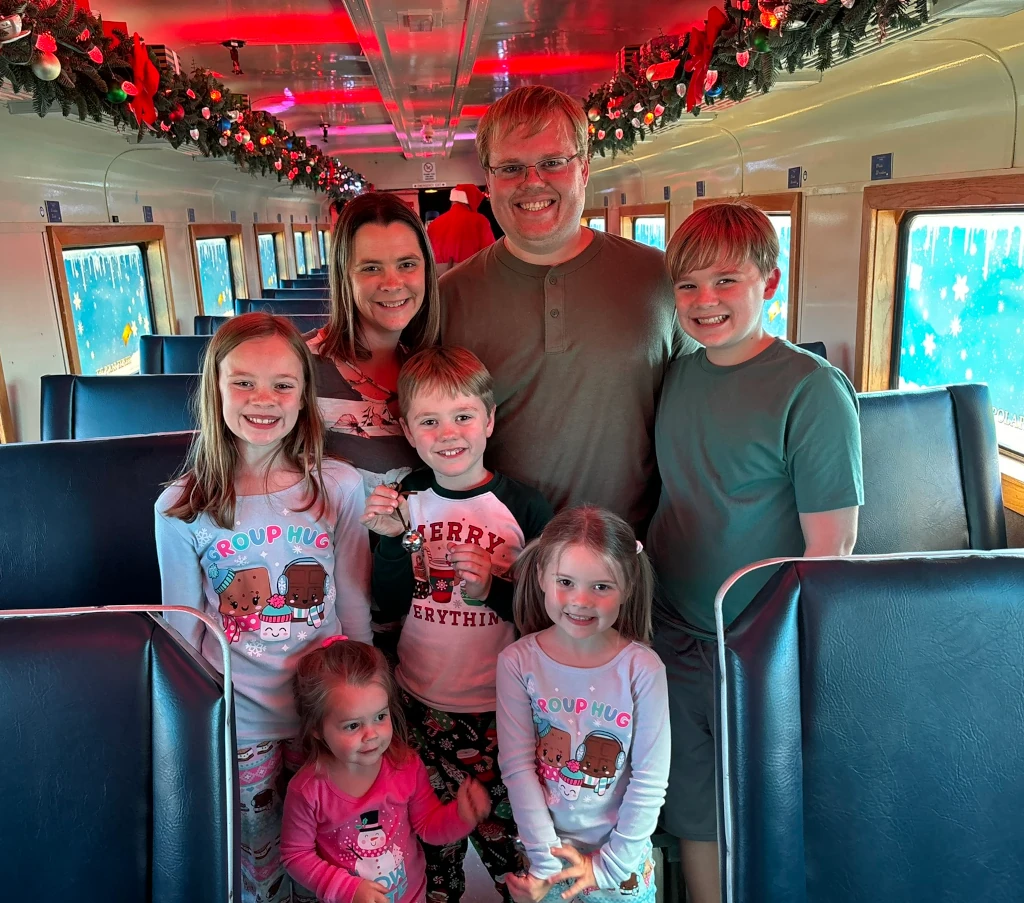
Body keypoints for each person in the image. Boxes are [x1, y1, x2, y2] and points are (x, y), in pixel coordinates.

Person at [647, 202, 864, 903]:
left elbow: (831, 548)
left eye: (726, 281)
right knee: (694, 810)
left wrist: (779, 655)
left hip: (756, 646)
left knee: (767, 806)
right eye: (688, 286)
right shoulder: (678, 374)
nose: (705, 301)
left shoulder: (810, 389)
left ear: (768, 283)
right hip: (674, 630)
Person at [155, 312, 373, 903]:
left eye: (283, 384)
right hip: (242, 719)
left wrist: (370, 694)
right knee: (261, 848)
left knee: (333, 840)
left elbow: (352, 597)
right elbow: (183, 625)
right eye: (243, 382)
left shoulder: (340, 487)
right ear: (215, 390)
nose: (264, 399)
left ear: (305, 397)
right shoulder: (182, 506)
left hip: (323, 712)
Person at [440, 84, 695, 530]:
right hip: (497, 566)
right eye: (511, 167)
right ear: (489, 180)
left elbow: (704, 412)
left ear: (584, 169)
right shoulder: (448, 298)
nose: (532, 181)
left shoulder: (661, 278)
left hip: (628, 561)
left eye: (553, 162)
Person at [361, 345, 554, 902]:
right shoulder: (408, 499)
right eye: (430, 421)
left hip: (504, 708)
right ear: (409, 430)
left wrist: (490, 590)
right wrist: (392, 541)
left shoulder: (524, 506)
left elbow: (545, 617)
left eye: (463, 416)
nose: (449, 433)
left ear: (489, 420)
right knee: (431, 842)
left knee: (508, 846)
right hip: (421, 702)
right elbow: (391, 602)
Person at [496, 506, 669, 903]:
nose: (580, 601)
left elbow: (649, 780)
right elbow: (518, 767)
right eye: (566, 582)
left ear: (627, 586)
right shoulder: (517, 662)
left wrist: (607, 867)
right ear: (541, 576)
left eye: (601, 587)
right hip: (546, 859)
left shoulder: (643, 669)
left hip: (621, 863)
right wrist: (544, 862)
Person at [281, 636, 492, 903]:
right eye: (353, 726)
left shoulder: (406, 766)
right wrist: (346, 889)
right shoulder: (308, 790)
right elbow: (295, 856)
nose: (371, 735)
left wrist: (461, 816)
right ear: (317, 730)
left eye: (380, 717)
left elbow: (428, 826)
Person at [309, 191, 442, 495]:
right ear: (345, 276)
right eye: (371, 268)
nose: (393, 284)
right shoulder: (297, 369)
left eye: (407, 264)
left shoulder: (432, 367)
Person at [427, 183, 495, 269]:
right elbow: (490, 253)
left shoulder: (434, 223)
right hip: (469, 274)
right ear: (472, 200)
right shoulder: (479, 220)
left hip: (439, 277)